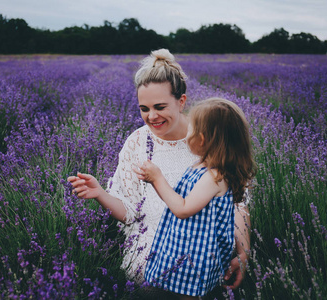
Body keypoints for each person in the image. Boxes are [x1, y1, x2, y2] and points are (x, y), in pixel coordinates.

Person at [67, 49, 251, 294]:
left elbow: (237, 203)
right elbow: (130, 213)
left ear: (181, 101)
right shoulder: (136, 143)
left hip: (202, 252)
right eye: (144, 108)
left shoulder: (207, 141)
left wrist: (243, 253)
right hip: (151, 251)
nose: (151, 116)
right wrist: (100, 193)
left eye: (160, 106)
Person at [133, 98, 256, 299]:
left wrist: (158, 178)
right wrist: (153, 182)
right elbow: (178, 198)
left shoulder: (214, 178)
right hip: (183, 245)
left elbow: (182, 209)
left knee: (187, 295)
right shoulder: (202, 167)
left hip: (195, 256)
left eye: (191, 128)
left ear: (201, 139)